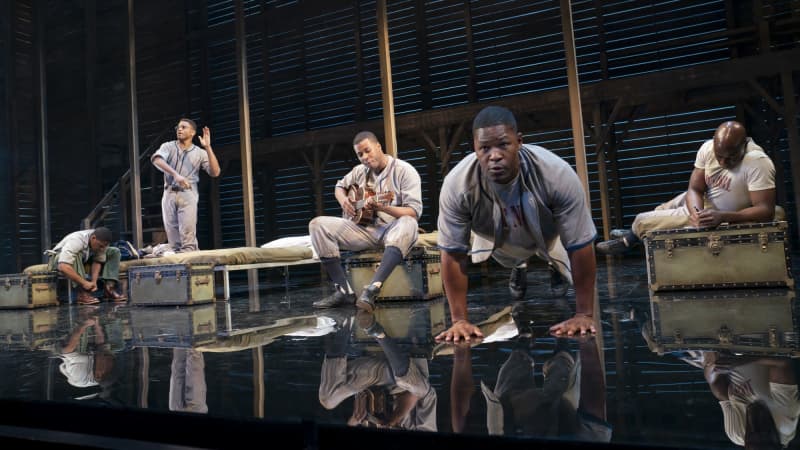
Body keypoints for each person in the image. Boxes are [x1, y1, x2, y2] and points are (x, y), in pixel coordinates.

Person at [435, 106, 598, 340]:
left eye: (503, 144)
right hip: (496, 237)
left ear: (519, 142)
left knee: (561, 254)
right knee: (504, 255)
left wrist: (584, 313)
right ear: (475, 149)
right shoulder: (457, 184)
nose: (494, 155)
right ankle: (519, 266)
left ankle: (554, 266)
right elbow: (452, 254)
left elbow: (581, 243)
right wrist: (459, 320)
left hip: (549, 235)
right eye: (485, 148)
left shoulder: (556, 173)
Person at [596, 120, 777, 254]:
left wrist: (722, 217)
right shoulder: (707, 148)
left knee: (642, 220)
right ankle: (634, 234)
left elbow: (766, 210)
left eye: (730, 158)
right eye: (719, 156)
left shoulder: (757, 162)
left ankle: (630, 239)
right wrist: (697, 213)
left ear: (744, 146)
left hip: (719, 212)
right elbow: (695, 188)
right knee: (663, 208)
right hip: (706, 204)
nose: (722, 162)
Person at [309, 131, 423, 312]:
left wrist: (384, 208)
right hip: (364, 230)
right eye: (360, 154)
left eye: (368, 151)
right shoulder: (359, 171)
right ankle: (344, 291)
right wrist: (344, 201)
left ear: (379, 146)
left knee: (409, 223)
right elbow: (339, 187)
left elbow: (414, 211)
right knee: (317, 225)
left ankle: (372, 289)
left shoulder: (404, 171)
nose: (365, 157)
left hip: (392, 229)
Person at [317, 311, 437, 431]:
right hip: (407, 371)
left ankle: (347, 320)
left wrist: (354, 420)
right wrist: (394, 420)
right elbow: (421, 395)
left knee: (328, 399)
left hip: (374, 376)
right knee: (417, 388)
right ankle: (377, 332)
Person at [151, 118, 221, 253]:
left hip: (187, 193)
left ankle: (189, 264)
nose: (179, 129)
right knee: (174, 242)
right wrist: (175, 174)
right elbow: (156, 159)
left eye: (183, 127)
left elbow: (215, 172)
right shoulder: (168, 146)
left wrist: (208, 147)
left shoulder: (199, 152)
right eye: (178, 127)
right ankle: (157, 250)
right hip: (169, 193)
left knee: (188, 239)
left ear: (193, 132)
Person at [46, 227, 126, 305]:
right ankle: (81, 293)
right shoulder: (77, 240)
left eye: (104, 246)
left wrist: (94, 282)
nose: (102, 249)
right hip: (59, 260)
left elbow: (97, 261)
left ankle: (109, 288)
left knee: (114, 251)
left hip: (84, 259)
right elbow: (63, 266)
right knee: (77, 255)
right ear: (93, 238)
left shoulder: (100, 242)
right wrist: (84, 283)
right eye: (101, 246)